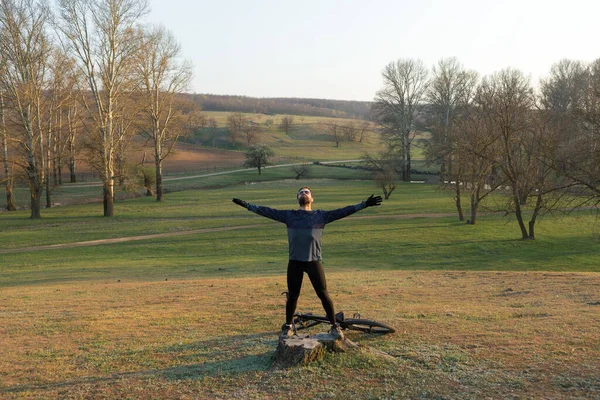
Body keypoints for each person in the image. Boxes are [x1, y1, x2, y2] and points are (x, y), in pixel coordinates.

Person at [232, 187, 382, 340]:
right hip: (295, 262)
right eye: (301, 192)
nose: (304, 193)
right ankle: (288, 327)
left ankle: (334, 326)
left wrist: (364, 204)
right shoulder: (290, 216)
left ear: (312, 198)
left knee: (323, 295)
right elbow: (266, 211)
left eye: (307, 192)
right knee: (293, 296)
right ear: (297, 198)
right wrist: (246, 205)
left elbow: (343, 211)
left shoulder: (321, 216)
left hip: (313, 262)